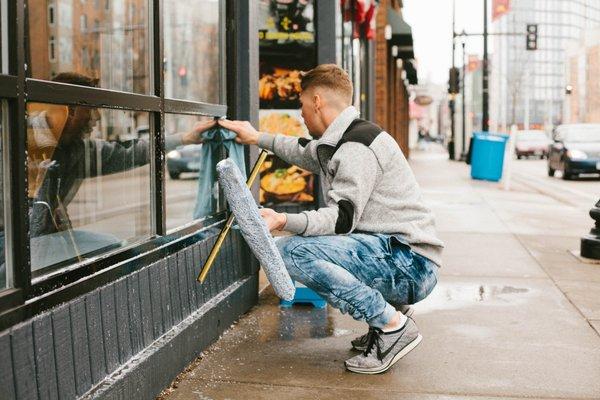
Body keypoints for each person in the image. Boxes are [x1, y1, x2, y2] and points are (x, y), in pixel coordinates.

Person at [219, 64, 444, 375]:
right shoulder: (344, 139)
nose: (300, 114)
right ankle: (387, 319)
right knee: (306, 248)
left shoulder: (356, 147)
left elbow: (342, 219)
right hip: (403, 255)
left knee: (290, 252)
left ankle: (391, 325)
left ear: (317, 101)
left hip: (409, 263)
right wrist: (257, 137)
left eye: (300, 104)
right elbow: (302, 152)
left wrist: (283, 220)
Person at [0, 72, 216, 283]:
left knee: (115, 250)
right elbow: (27, 227)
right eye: (91, 109)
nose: (96, 119)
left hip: (47, 239)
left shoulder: (76, 150)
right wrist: (46, 213)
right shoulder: (18, 144)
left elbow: (129, 152)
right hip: (12, 244)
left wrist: (185, 138)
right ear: (69, 110)